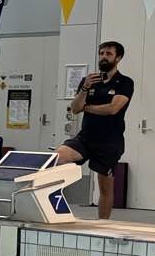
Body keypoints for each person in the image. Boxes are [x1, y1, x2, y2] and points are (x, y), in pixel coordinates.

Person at [57, 41, 133, 220]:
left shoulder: (125, 82)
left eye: (108, 54)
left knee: (105, 187)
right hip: (85, 138)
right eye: (101, 53)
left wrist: (87, 107)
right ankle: (53, 202)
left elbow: (113, 109)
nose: (104, 57)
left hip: (109, 141)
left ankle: (103, 226)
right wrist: (84, 89)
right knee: (57, 157)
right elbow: (75, 108)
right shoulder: (88, 81)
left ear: (118, 57)